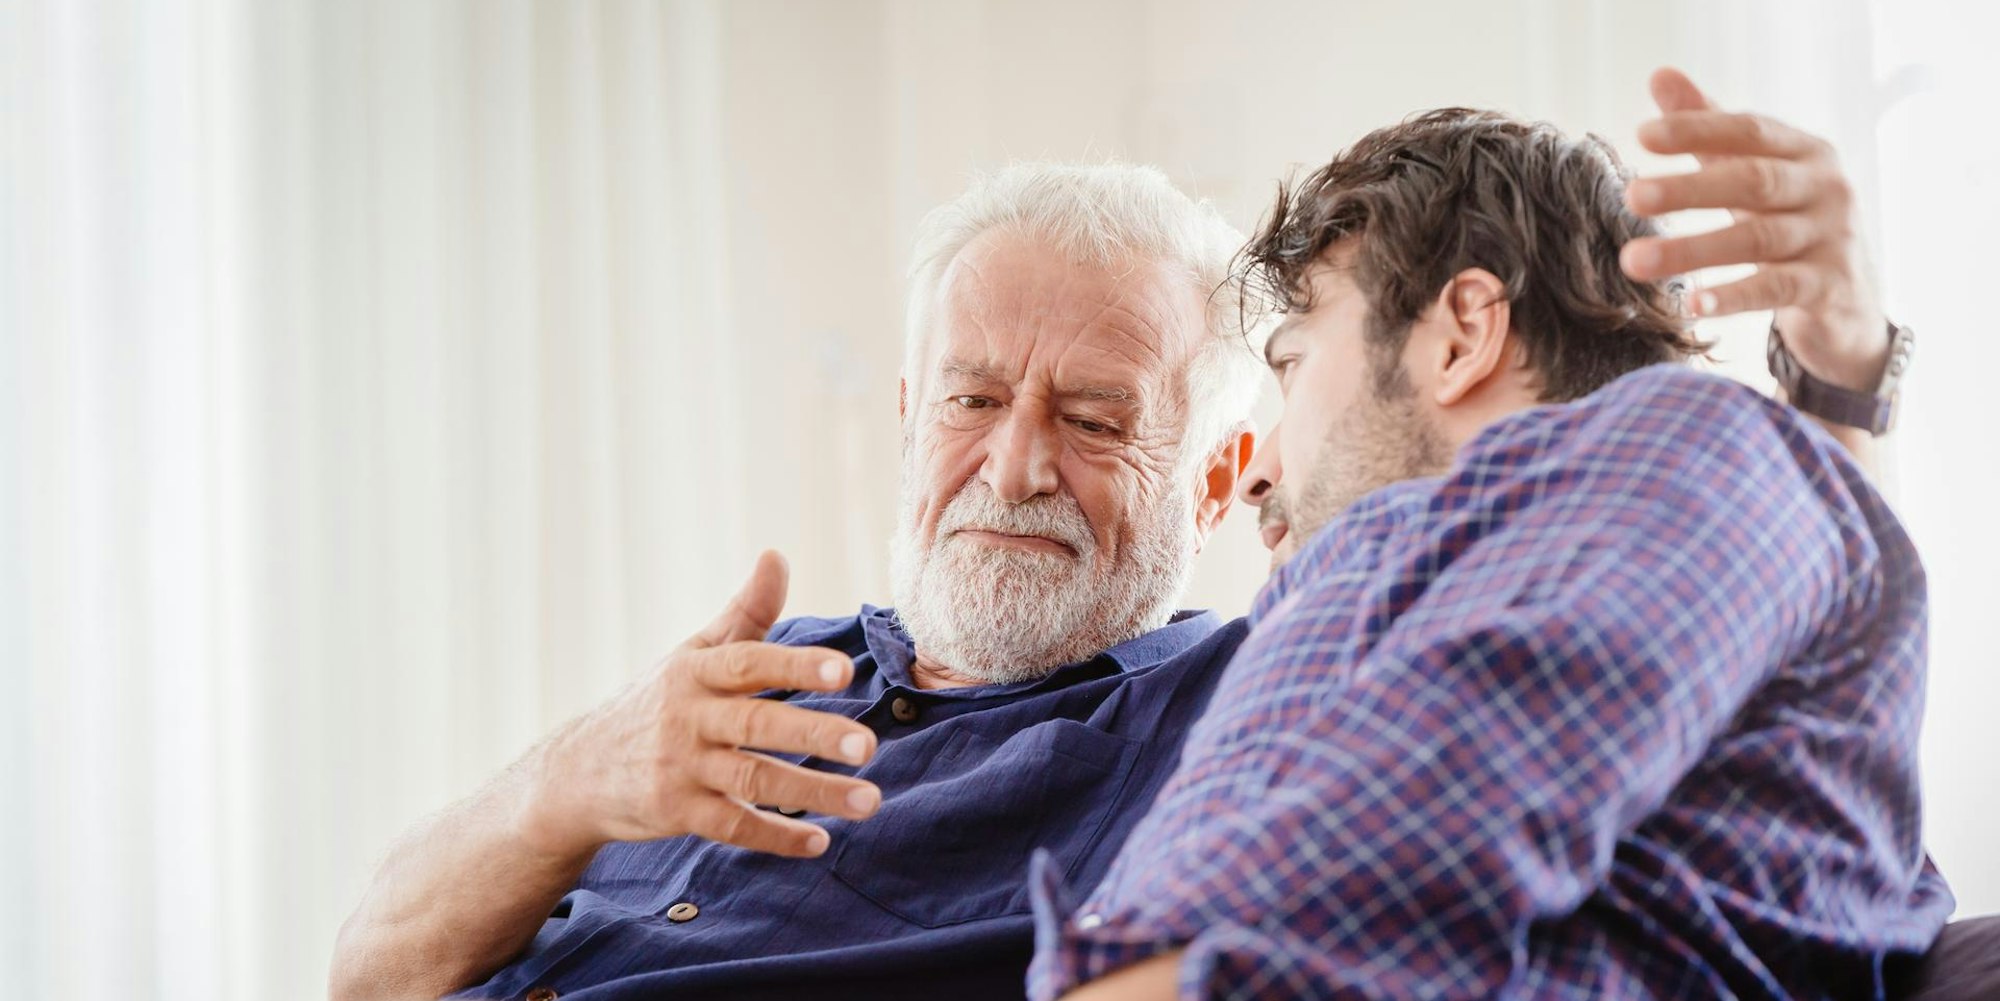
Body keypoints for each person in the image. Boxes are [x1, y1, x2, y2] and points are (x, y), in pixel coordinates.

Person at [331, 70, 1911, 1001]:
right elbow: (364, 969)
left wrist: (1828, 391)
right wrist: (569, 784)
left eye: (1093, 419)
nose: (1013, 461)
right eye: (968, 398)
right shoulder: (742, 678)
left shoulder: (1271, 669)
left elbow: (1722, 571)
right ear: (903, 412)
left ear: (1217, 476)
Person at [1035, 69, 1951, 1001]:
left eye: (1295, 364)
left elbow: (1384, 871)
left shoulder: (1690, 451)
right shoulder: (1437, 591)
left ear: (1463, 332)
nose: (1258, 470)